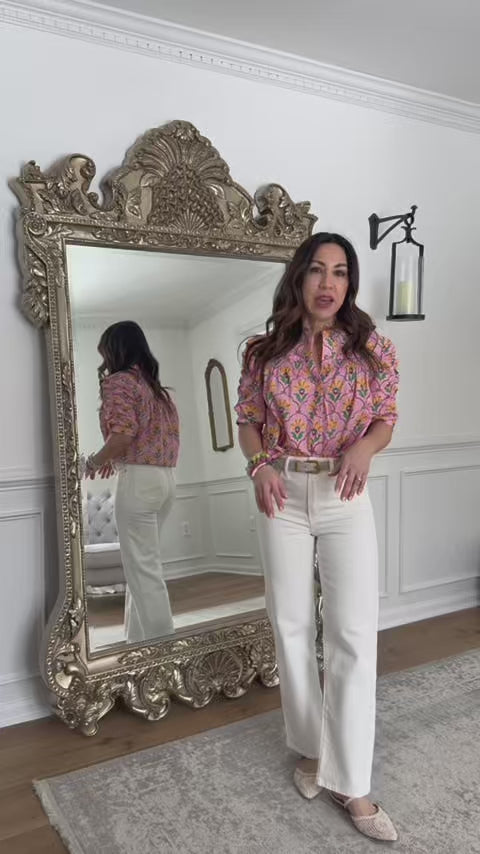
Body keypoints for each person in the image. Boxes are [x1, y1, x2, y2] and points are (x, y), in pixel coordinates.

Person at [235, 233, 399, 842]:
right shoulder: (261, 351)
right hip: (283, 493)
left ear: (350, 282)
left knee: (354, 633)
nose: (329, 283)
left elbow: (386, 416)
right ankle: (310, 749)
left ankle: (352, 782)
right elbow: (249, 422)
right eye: (317, 271)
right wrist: (259, 467)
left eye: (341, 272)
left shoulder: (374, 347)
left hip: (345, 495)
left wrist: (364, 445)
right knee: (291, 625)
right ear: (298, 278)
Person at [85, 320, 179, 643]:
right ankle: (137, 646)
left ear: (115, 349)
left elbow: (123, 435)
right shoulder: (154, 388)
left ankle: (163, 655)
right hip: (166, 481)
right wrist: (115, 457)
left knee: (144, 573)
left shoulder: (119, 382)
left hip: (139, 483)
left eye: (104, 352)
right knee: (143, 570)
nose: (104, 361)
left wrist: (95, 461)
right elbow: (143, 436)